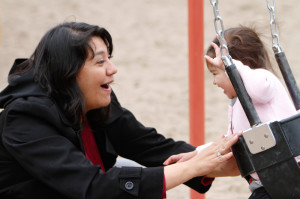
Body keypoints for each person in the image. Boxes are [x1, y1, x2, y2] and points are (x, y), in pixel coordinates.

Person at [0, 21, 240, 199]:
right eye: (100, 61)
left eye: (109, 58)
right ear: (68, 73)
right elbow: (93, 187)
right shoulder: (24, 119)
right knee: (130, 182)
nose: (113, 69)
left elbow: (148, 145)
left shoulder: (91, 98)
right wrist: (192, 167)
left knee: (135, 177)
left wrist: (220, 162)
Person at [204, 26, 300, 199]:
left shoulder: (263, 80)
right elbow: (227, 144)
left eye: (215, 73)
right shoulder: (237, 105)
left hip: (289, 177)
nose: (214, 82)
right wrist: (194, 155)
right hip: (266, 184)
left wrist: (232, 66)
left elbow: (259, 90)